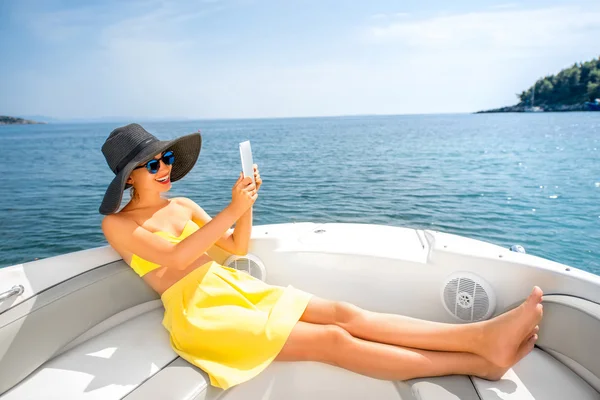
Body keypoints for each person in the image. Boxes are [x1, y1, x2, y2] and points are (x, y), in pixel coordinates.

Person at [99, 123, 543, 390]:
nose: (166, 169)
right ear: (130, 178)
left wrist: (246, 206)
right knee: (334, 342)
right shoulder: (118, 225)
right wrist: (232, 209)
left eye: (168, 159)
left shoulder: (185, 206)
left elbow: (236, 248)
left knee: (345, 313)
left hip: (234, 289)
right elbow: (175, 260)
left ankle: (480, 337)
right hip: (201, 314)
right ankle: (479, 360)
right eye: (154, 164)